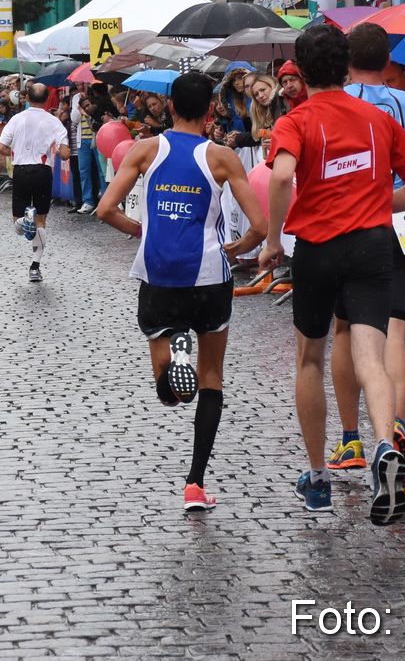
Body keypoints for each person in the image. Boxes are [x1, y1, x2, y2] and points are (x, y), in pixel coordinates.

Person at [257, 25, 405, 524]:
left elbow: (284, 175)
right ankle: (383, 445)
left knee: (310, 357)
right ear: (346, 64)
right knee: (370, 357)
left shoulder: (297, 119)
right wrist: (374, 199)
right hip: (374, 245)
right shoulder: (380, 119)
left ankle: (318, 479)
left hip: (318, 248)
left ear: (303, 71)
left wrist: (273, 241)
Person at [96, 71, 266, 511]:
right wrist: (236, 248)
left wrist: (144, 232)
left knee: (169, 394)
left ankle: (174, 364)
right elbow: (260, 227)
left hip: (159, 272)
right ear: (210, 110)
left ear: (169, 107)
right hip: (210, 273)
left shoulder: (145, 149)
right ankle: (194, 485)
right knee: (212, 380)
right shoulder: (223, 156)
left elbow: (105, 209)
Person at [325, 24, 405, 497]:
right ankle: (395, 430)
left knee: (344, 328)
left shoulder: (333, 101)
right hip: (399, 226)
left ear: (345, 59)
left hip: (346, 227)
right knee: (394, 331)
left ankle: (350, 440)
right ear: (388, 61)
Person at [0, 82, 72, 282]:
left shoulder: (16, 119)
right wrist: (60, 151)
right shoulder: (54, 122)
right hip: (42, 171)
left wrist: (16, 152)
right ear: (46, 100)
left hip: (21, 171)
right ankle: (35, 268)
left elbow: (0, 148)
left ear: (27, 98)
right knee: (41, 221)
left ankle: (22, 220)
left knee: (17, 223)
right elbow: (65, 154)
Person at [69, 86, 101, 215]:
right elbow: (74, 118)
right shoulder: (77, 97)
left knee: (101, 171)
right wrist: (78, 103)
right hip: (82, 139)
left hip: (97, 138)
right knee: (84, 171)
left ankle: (104, 198)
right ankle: (87, 201)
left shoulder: (96, 96)